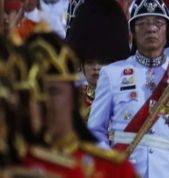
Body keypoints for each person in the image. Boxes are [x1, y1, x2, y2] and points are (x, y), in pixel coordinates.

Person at [87, 0, 169, 177]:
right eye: (142, 23)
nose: (151, 28)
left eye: (158, 23)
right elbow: (95, 129)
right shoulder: (112, 73)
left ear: (167, 31)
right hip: (125, 168)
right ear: (132, 32)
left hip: (168, 170)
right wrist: (110, 161)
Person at [19, 33, 137, 177]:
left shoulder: (112, 170)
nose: (43, 101)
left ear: (77, 98)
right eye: (33, 93)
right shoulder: (11, 166)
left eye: (53, 91)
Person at [64, 0, 131, 121]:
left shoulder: (124, 99)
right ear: (81, 65)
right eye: (90, 62)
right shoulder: (74, 100)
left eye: (102, 62)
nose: (96, 68)